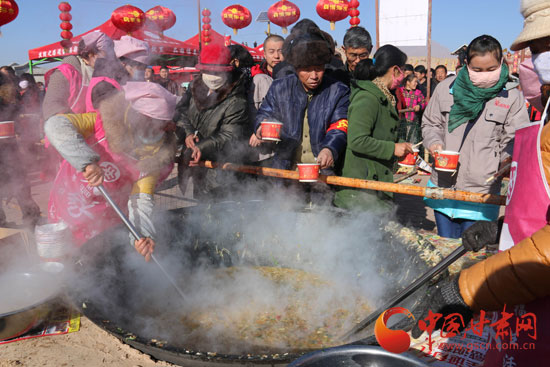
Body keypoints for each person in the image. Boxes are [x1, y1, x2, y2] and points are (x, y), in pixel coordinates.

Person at [44, 82, 178, 259]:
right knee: (59, 263)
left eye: (161, 124)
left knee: (93, 263)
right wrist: (86, 162)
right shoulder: (102, 121)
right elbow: (56, 125)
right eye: (148, 121)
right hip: (67, 206)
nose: (155, 128)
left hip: (104, 221)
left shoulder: (155, 156)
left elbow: (140, 199)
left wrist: (143, 234)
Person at [421, 35, 528, 239]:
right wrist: (434, 143)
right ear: (466, 65)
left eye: (491, 69)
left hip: (482, 190)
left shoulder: (511, 97)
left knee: (471, 255)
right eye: (477, 70)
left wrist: (506, 160)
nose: (484, 76)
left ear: (501, 64)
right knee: (445, 250)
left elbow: (516, 139)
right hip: (444, 185)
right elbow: (430, 123)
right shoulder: (446, 90)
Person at [253, 28, 349, 174]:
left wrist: (330, 148)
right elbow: (265, 113)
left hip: (321, 172)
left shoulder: (338, 91)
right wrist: (261, 126)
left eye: (318, 69)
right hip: (286, 170)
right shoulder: (280, 88)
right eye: (307, 70)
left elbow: (340, 124)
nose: (314, 76)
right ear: (296, 68)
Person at [334, 46, 412, 210]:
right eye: (403, 70)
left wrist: (401, 144)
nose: (404, 75)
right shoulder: (368, 97)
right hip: (360, 189)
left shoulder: (384, 96)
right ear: (396, 70)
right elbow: (357, 140)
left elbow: (383, 132)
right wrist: (392, 149)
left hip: (373, 185)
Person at [175, 43, 249, 200]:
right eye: (208, 71)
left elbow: (230, 136)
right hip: (198, 166)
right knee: (200, 211)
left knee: (220, 212)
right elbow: (181, 113)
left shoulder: (237, 98)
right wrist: (188, 134)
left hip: (222, 170)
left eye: (218, 72)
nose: (213, 76)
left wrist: (200, 147)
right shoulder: (195, 86)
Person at [42, 32, 115, 119]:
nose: (109, 61)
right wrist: (81, 123)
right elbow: (52, 107)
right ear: (90, 55)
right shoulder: (64, 73)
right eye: (105, 56)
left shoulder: (105, 73)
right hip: (67, 129)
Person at [0, 72, 41, 226]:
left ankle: (4, 225)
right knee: (21, 186)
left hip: (10, 154)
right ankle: (32, 220)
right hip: (9, 155)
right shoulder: (9, 107)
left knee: (19, 186)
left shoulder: (10, 107)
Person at [398, 74, 426, 144]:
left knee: (412, 143)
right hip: (400, 122)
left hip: (412, 122)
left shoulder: (418, 92)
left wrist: (419, 106)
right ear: (408, 82)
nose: (416, 84)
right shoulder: (400, 91)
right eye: (415, 82)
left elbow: (424, 102)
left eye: (417, 82)